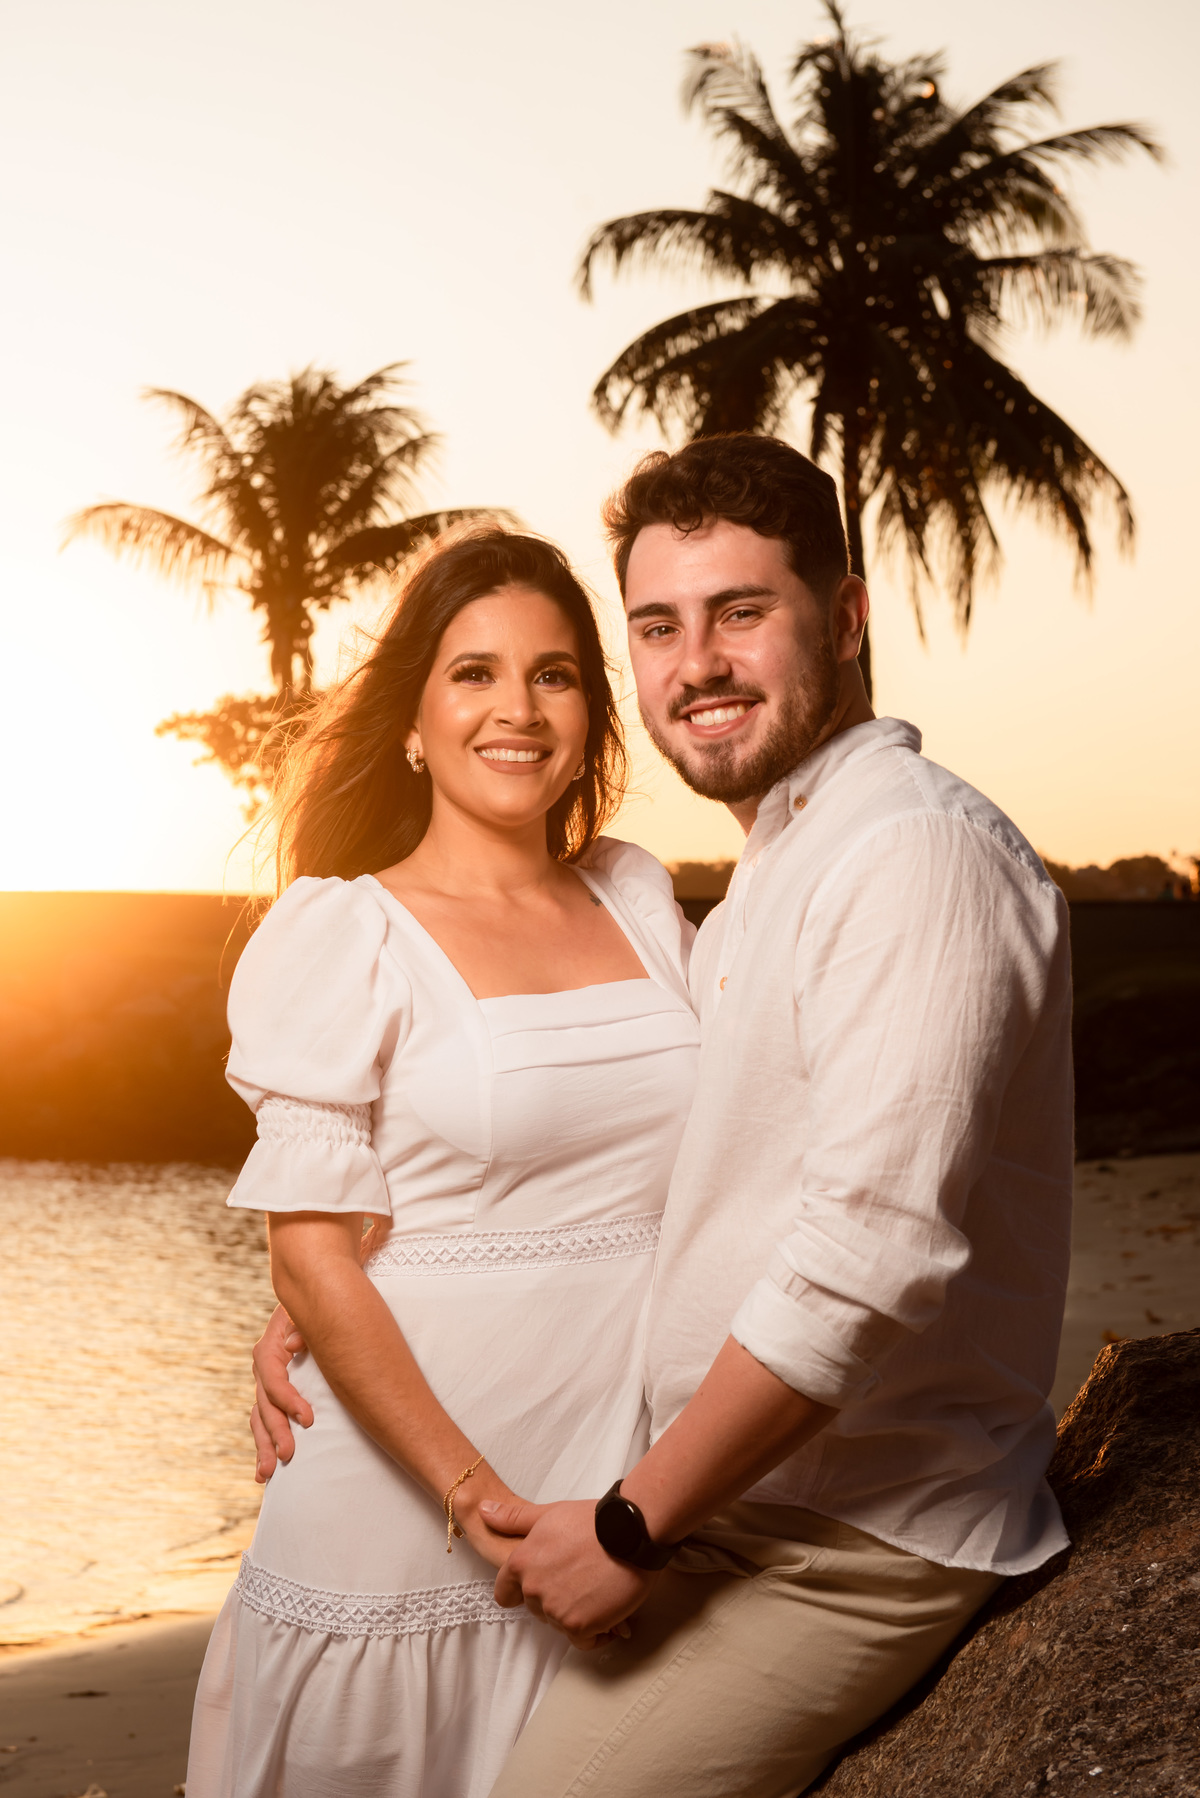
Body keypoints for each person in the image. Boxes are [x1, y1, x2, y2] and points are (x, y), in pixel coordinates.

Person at [256, 436, 1074, 1798]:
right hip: (736, 1503)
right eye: (658, 625)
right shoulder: (768, 868)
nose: (697, 663)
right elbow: (657, 1149)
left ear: (850, 615)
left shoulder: (913, 853)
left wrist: (632, 1522)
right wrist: (335, 1266)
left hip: (853, 1529)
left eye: (742, 612)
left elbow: (869, 1256)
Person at [185, 529, 701, 1798]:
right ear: (414, 715)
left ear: (591, 709)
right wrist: (480, 1507)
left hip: (614, 1498)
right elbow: (310, 1247)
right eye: (473, 673)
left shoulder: (640, 900)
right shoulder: (343, 929)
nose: (516, 710)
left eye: (555, 674)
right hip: (405, 1522)